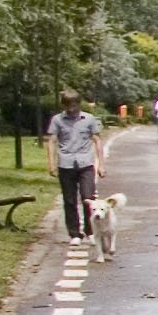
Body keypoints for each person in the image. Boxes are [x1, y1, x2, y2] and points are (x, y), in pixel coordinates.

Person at [47, 91, 102, 238]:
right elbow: (51, 141)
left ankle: (90, 230)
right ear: (64, 105)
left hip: (86, 163)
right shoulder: (57, 120)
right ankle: (74, 233)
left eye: (74, 105)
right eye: (68, 106)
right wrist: (51, 163)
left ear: (78, 104)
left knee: (88, 197)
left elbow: (97, 140)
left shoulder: (89, 119)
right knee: (69, 200)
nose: (71, 109)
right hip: (66, 163)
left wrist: (101, 164)